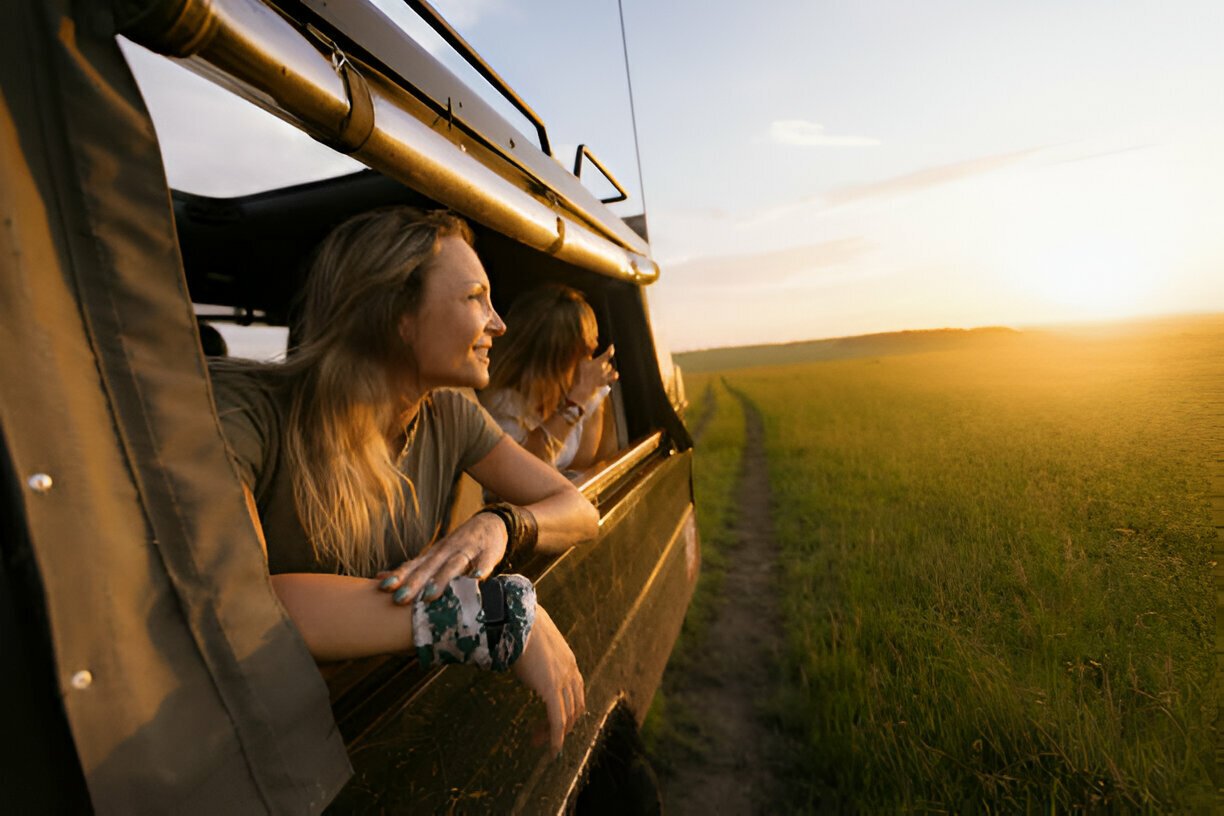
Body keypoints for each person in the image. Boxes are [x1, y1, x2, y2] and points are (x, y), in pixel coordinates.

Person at [208, 207, 596, 751]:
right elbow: (245, 603)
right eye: (474, 298)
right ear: (398, 315)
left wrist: (499, 525)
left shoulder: (449, 415)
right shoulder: (245, 413)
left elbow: (578, 510)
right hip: (268, 744)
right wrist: (489, 617)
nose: (498, 322)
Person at [480, 285, 618, 473]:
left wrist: (587, 397)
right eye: (585, 349)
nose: (591, 355)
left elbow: (596, 466)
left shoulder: (591, 393)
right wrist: (575, 403)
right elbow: (523, 476)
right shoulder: (502, 406)